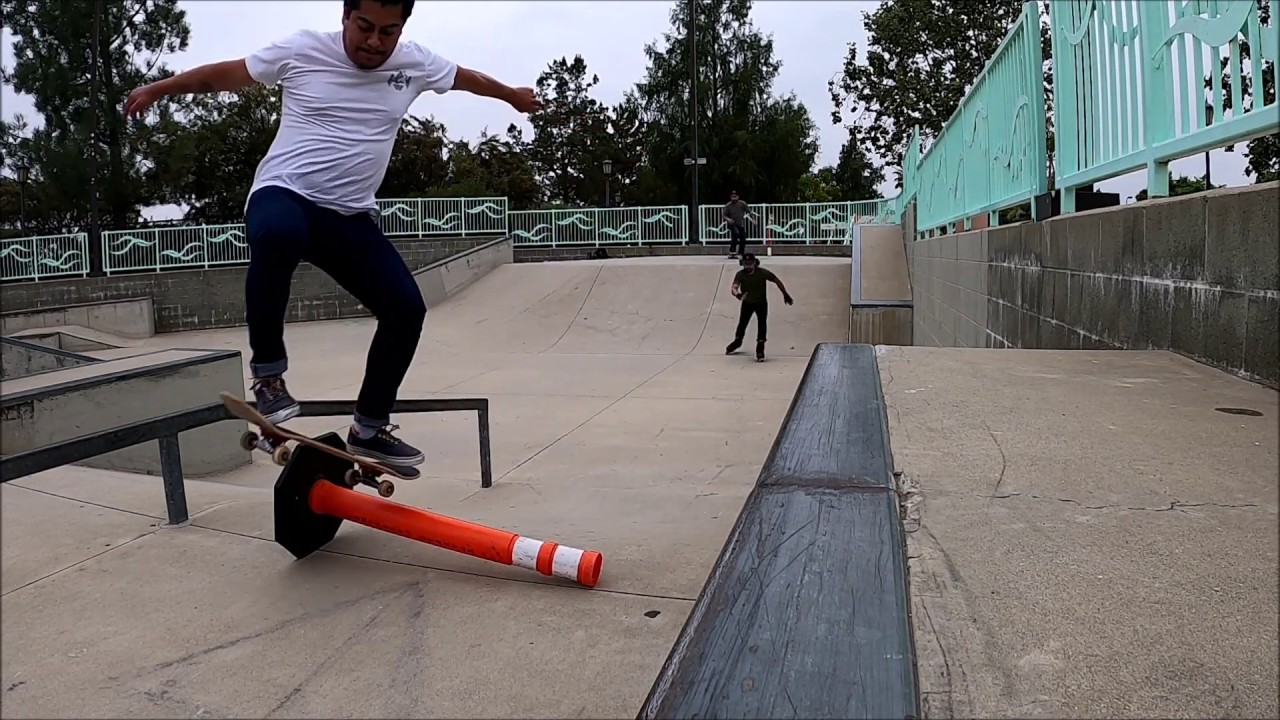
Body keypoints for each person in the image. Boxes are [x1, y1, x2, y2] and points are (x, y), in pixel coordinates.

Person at [123, 0, 540, 467]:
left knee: (405, 309)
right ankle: (268, 377)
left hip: (349, 218)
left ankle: (368, 427)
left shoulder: (415, 62)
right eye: (364, 28)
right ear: (345, 17)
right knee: (277, 235)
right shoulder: (303, 50)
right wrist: (160, 88)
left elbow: (467, 78)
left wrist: (510, 96)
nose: (375, 43)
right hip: (286, 195)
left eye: (389, 32)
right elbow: (223, 75)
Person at [726, 253, 793, 361]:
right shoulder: (740, 274)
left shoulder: (762, 273)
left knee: (762, 323)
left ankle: (760, 347)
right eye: (745, 264)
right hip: (747, 303)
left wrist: (785, 294)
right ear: (742, 264)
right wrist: (737, 294)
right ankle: (737, 341)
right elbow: (734, 287)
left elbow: (776, 280)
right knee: (742, 323)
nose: (748, 267)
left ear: (755, 263)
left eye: (750, 264)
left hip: (761, 303)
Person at [723, 190, 749, 258]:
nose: (734, 198)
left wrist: (754, 220)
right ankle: (732, 251)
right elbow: (724, 215)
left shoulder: (742, 204)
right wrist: (728, 219)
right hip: (732, 224)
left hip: (740, 223)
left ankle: (740, 252)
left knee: (742, 238)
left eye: (735, 197)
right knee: (736, 234)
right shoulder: (728, 205)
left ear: (738, 197)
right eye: (732, 197)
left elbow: (749, 211)